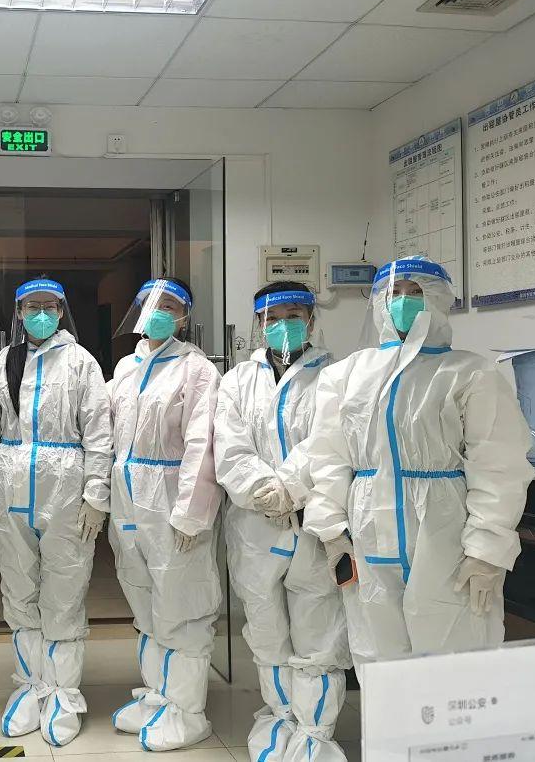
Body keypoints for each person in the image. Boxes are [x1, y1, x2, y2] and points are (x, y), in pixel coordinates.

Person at [302, 257, 533, 673]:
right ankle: (390, 720)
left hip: (445, 532)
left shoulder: (470, 372)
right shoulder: (345, 375)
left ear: (440, 300)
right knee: (377, 654)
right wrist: (331, 527)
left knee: (454, 654)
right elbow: (327, 456)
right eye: (394, 293)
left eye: (416, 292)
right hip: (368, 532)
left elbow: (499, 466)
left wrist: (487, 548)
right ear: (378, 302)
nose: (403, 301)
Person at [214, 283, 349, 762]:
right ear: (259, 323)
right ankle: (280, 718)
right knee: (266, 631)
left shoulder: (335, 375)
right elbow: (230, 448)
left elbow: (330, 442)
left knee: (319, 633)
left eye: (294, 314)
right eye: (272, 316)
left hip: (314, 523)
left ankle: (314, 734)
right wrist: (263, 490)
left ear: (311, 319)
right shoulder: (236, 381)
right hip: (255, 525)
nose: (283, 324)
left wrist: (290, 487)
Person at [0, 278, 113, 746]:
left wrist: (96, 495)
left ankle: (62, 693)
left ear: (61, 310)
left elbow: (99, 433)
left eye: (49, 306)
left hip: (66, 493)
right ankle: (30, 687)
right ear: (19, 312)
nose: (40, 314)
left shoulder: (81, 363)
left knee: (64, 591)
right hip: (12, 488)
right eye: (31, 306)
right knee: (19, 589)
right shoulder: (3, 362)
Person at [107, 277, 224, 752]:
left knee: (182, 602)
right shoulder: (126, 366)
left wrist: (191, 514)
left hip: (171, 495)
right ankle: (159, 695)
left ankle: (187, 711)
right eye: (151, 303)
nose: (158, 312)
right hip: (128, 497)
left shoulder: (197, 369)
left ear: (184, 316)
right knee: (144, 600)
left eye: (171, 305)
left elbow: (202, 445)